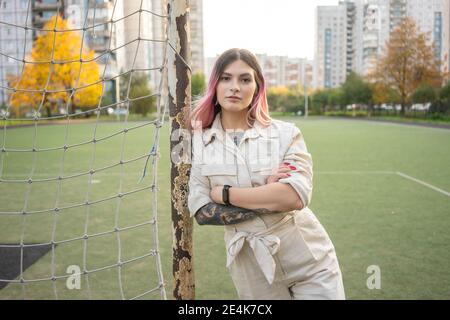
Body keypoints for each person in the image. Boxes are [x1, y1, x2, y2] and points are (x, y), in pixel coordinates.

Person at [186, 48, 345, 300]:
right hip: (252, 270)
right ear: (215, 86)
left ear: (257, 87)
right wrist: (268, 195)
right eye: (226, 78)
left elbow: (294, 198)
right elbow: (203, 213)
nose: (234, 87)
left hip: (309, 260)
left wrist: (225, 194)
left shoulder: (285, 134)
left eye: (245, 79)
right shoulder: (199, 144)